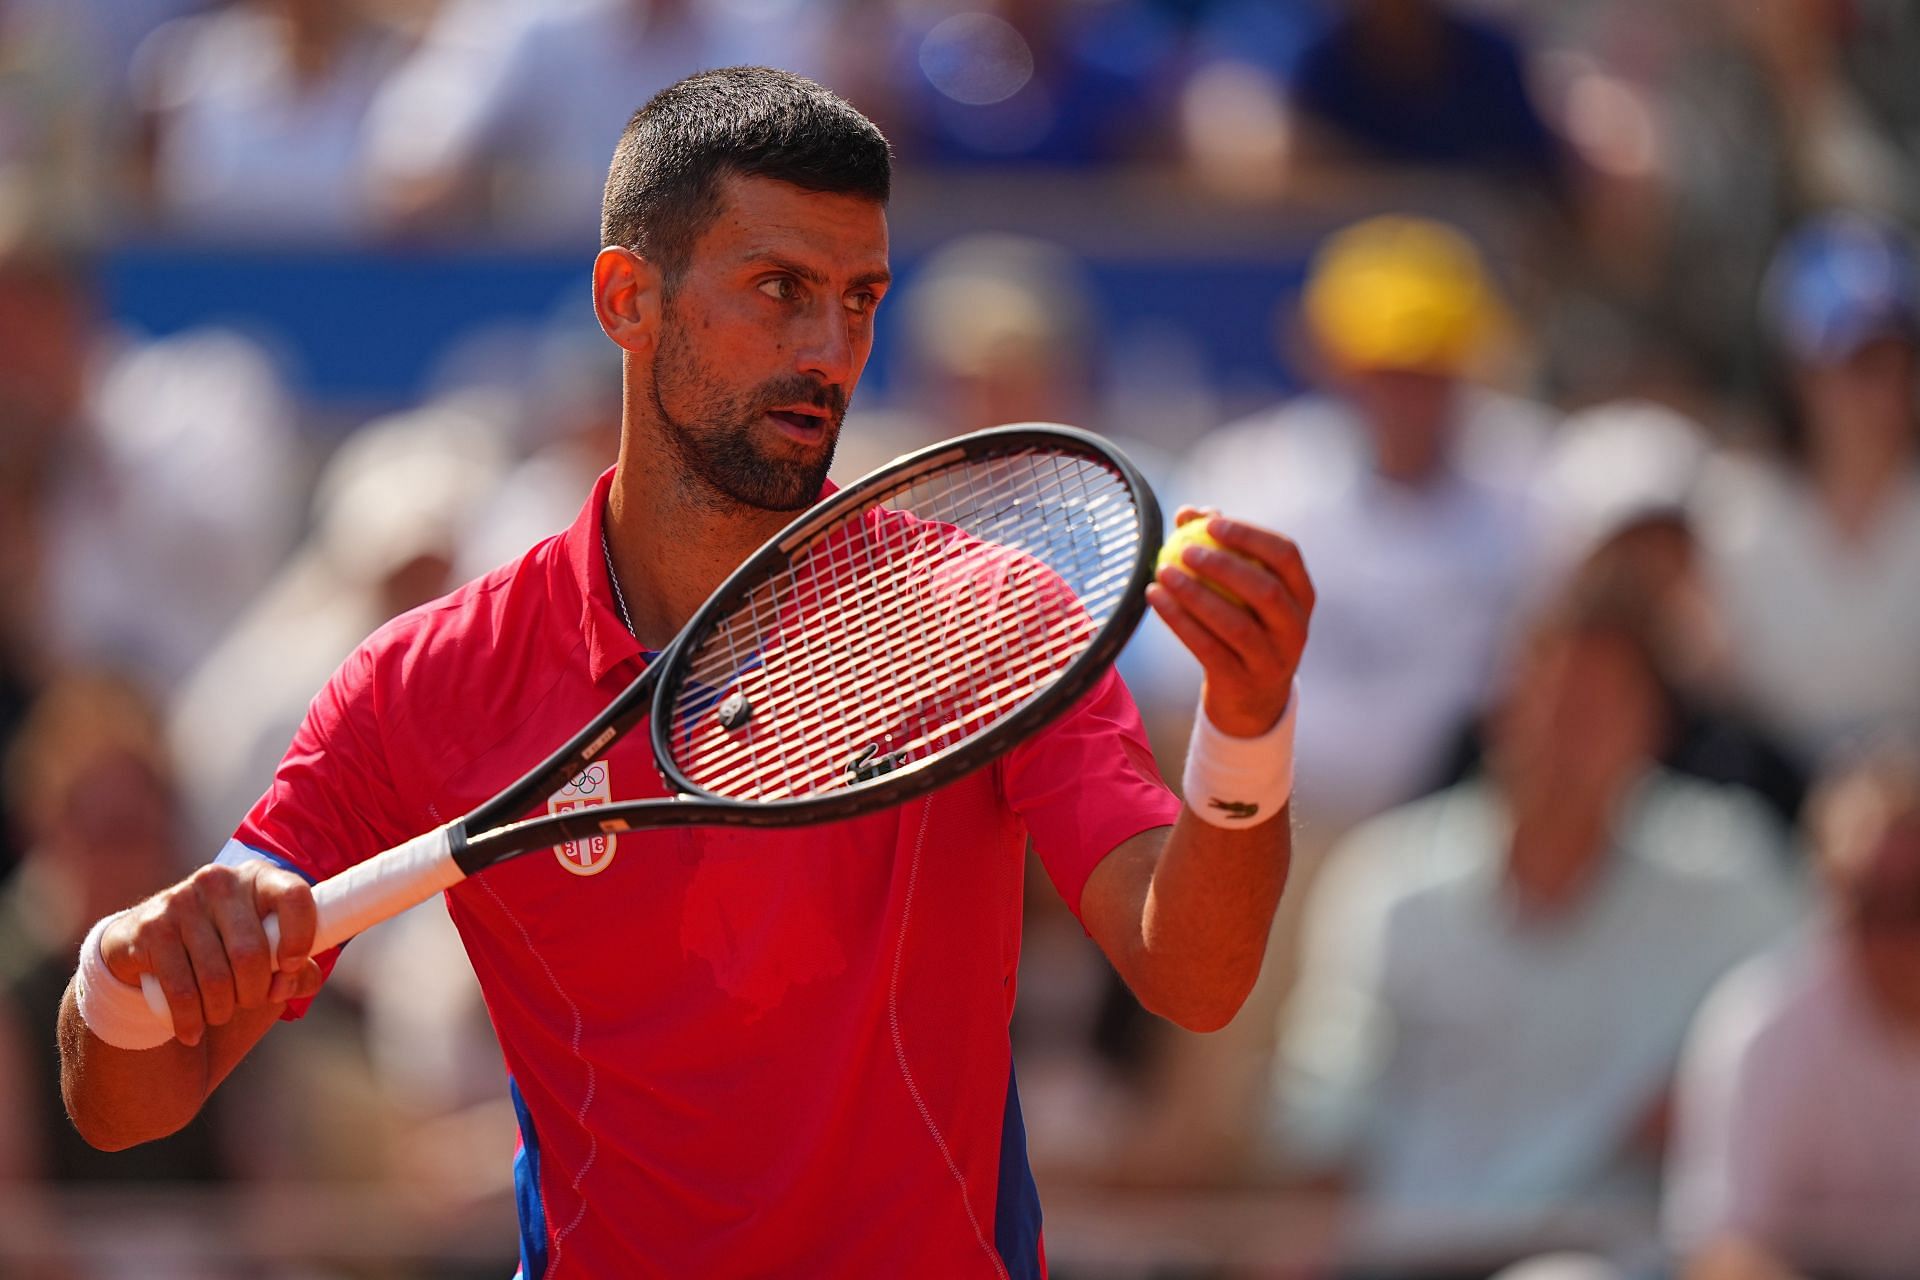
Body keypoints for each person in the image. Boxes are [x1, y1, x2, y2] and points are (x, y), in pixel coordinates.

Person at [58, 68, 1314, 1278]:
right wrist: (119, 974)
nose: (830, 347)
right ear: (626, 299)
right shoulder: (421, 686)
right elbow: (128, 1096)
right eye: (779, 287)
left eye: (862, 297)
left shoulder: (985, 613)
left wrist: (1246, 729)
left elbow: (1191, 972)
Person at [1273, 574, 1797, 1236]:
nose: (1566, 731)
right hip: (1409, 1260)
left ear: (1654, 727)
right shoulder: (1390, 881)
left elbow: (1814, 1037)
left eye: (1600, 705)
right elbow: (1323, 1113)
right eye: (1551, 696)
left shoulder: (1729, 873)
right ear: (1501, 708)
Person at [1665, 750, 1920, 1280]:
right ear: (1823, 891)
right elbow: (1722, 1252)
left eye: (1916, 900)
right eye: (1868, 899)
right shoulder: (1759, 1026)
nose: (1897, 937)